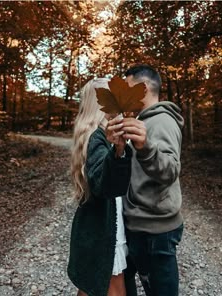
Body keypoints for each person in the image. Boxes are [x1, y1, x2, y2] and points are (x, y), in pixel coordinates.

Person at [107, 64, 184, 296]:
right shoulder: (144, 121)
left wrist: (145, 147)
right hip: (140, 226)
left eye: (127, 88)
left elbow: (171, 170)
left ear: (141, 88)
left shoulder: (162, 121)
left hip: (155, 230)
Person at [67, 78, 132, 296]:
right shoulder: (99, 138)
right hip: (103, 229)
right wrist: (119, 152)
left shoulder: (93, 136)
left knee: (92, 284)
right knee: (112, 286)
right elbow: (103, 184)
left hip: (95, 226)